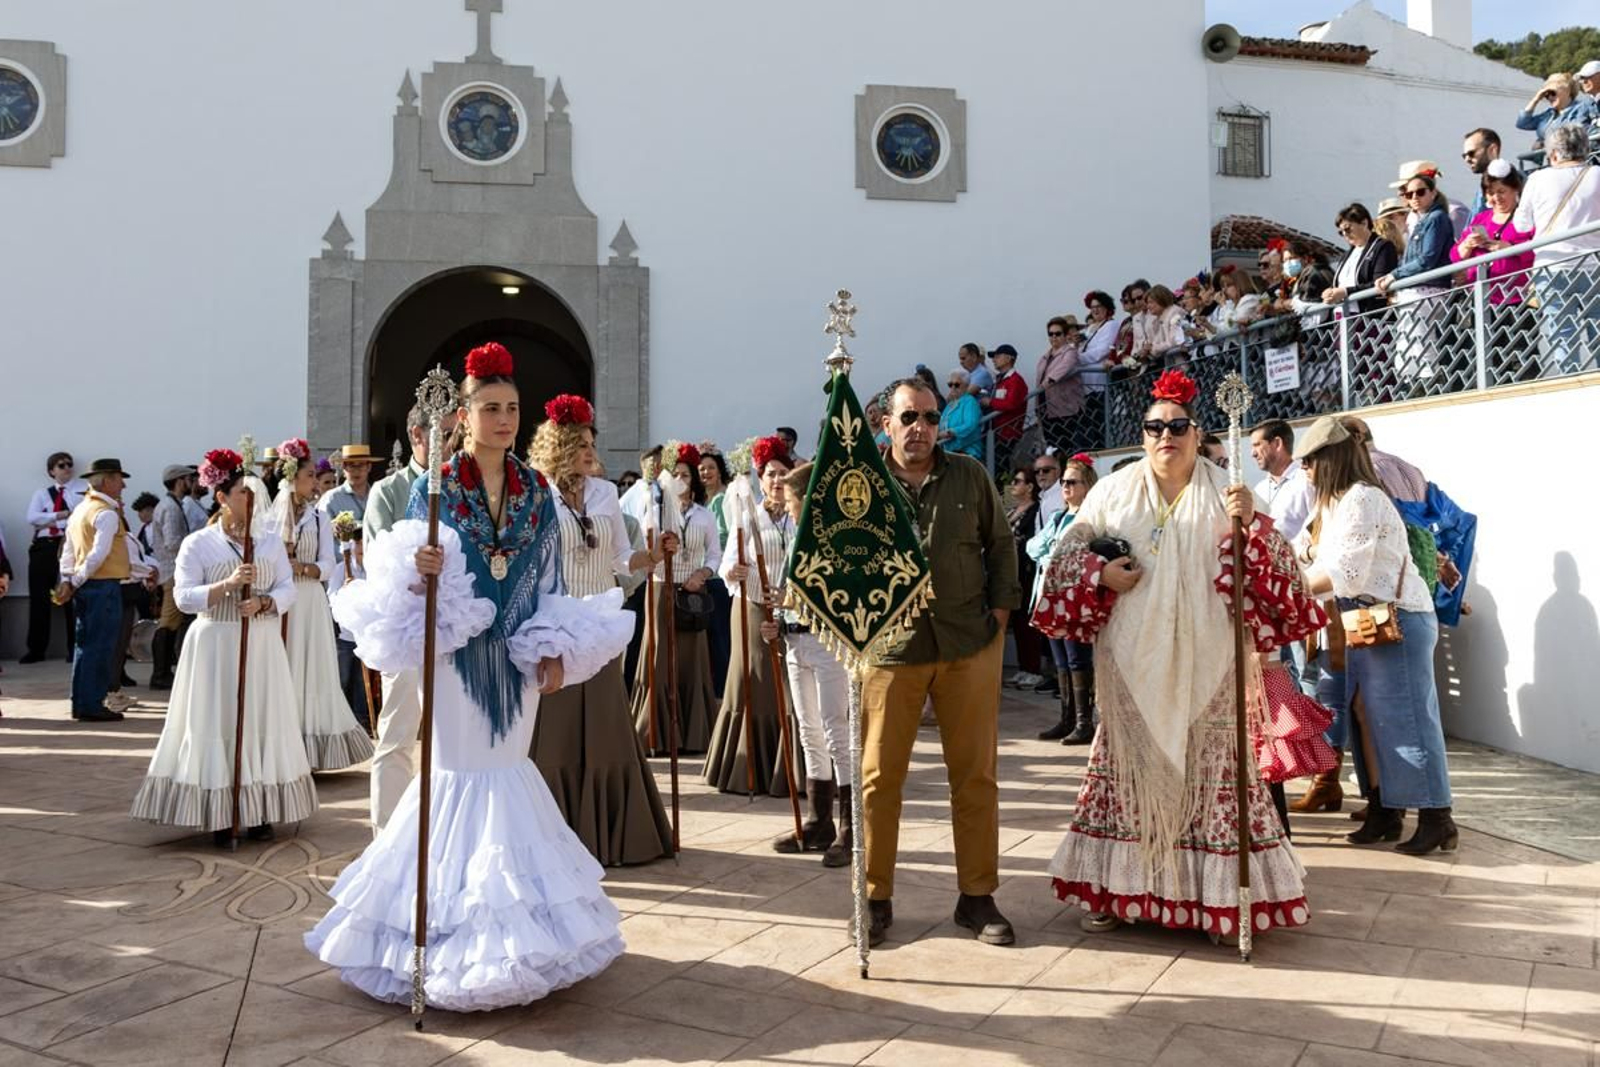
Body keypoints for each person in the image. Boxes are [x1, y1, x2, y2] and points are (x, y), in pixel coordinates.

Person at [309, 341, 630, 1009]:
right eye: (490, 407)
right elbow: (395, 572)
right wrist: (419, 570)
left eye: (512, 407)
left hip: (516, 653)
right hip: (455, 655)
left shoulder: (537, 489)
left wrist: (550, 643)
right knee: (454, 775)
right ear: (462, 413)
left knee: (511, 770)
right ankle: (442, 932)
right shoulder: (434, 489)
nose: (503, 418)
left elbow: (548, 575)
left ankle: (520, 931)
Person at [1037, 370, 1321, 941]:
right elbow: (1060, 561)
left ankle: (1213, 902)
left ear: (1197, 432)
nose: (1165, 435)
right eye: (1153, 427)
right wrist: (1100, 573)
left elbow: (1283, 575)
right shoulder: (1111, 492)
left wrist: (1255, 530)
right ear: (1141, 436)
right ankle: (1118, 894)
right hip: (1130, 662)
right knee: (1125, 781)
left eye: (1178, 426)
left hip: (1213, 662)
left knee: (1214, 781)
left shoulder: (1233, 488)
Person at [858, 378, 1022, 948]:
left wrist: (998, 619)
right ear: (887, 422)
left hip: (966, 645)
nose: (919, 428)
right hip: (890, 649)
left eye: (928, 418)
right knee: (880, 779)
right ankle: (874, 897)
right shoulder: (861, 484)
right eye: (908, 417)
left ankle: (977, 897)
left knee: (975, 777)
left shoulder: (970, 477)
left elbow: (1001, 546)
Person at [130, 447, 317, 845]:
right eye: (240, 495)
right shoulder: (199, 544)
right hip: (215, 640)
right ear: (221, 497)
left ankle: (261, 810)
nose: (248, 502)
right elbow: (183, 598)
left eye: (252, 495)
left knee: (260, 719)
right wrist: (227, 586)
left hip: (261, 641)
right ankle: (219, 812)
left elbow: (287, 589)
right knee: (217, 719)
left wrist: (265, 602)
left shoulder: (268, 543)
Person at [1291, 417, 1455, 855]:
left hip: (1394, 620)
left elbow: (1345, 573)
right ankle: (1386, 810)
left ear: (1331, 459)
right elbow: (1308, 551)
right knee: (1375, 719)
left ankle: (1436, 817)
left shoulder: (1363, 499)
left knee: (1407, 723)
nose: (1303, 468)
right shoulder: (1340, 501)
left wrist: (1287, 585)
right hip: (1369, 621)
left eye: (1309, 460)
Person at [527, 393, 673, 866]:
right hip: (557, 619)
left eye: (592, 442)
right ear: (559, 446)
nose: (591, 451)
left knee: (608, 723)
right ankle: (555, 836)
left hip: (602, 621)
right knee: (557, 730)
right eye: (581, 443)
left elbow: (618, 558)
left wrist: (649, 558)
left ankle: (612, 835)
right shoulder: (536, 492)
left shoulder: (605, 493)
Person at [361, 402, 453, 829]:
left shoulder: (466, 487)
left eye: (458, 433)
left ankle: (442, 832)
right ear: (418, 436)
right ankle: (386, 834)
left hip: (455, 626)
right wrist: (413, 564)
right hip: (405, 626)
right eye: (447, 435)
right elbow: (378, 557)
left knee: (453, 738)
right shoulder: (388, 491)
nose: (455, 444)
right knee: (398, 733)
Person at [703, 436, 803, 799]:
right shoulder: (748, 515)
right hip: (752, 607)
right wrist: (736, 573)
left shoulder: (800, 517)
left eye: (783, 474)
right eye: (771, 474)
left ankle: (790, 770)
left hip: (791, 610)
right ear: (760, 480)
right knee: (755, 684)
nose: (777, 481)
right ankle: (747, 767)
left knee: (791, 689)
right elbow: (728, 563)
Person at [765, 461, 853, 866]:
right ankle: (820, 819)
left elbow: (833, 592)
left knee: (837, 729)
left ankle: (850, 826)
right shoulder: (794, 535)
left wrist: (791, 599)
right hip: (797, 641)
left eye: (790, 496)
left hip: (827, 642)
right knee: (808, 731)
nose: (785, 502)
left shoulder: (832, 538)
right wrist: (777, 621)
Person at [269, 438, 374, 771]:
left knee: (310, 665)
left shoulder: (317, 519)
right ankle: (280, 743)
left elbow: (327, 564)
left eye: (316, 476)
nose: (315, 482)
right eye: (310, 475)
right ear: (291, 479)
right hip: (282, 598)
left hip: (310, 598)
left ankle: (311, 746)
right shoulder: (272, 520)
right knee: (283, 665)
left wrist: (301, 567)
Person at [631, 442, 722, 755]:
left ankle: (694, 733)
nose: (681, 479)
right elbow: (645, 549)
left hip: (692, 589)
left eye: (686, 474)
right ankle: (654, 731)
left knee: (691, 658)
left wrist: (702, 575)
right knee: (659, 657)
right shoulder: (655, 510)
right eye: (676, 474)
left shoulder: (703, 516)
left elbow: (715, 554)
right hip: (660, 588)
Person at [1513, 124, 1600, 375]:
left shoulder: (1538, 179)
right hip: (1594, 264)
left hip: (1551, 266)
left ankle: (1570, 386)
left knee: (1562, 332)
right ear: (1585, 149)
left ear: (1552, 153)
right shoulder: (1596, 174)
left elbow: (1522, 225)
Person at [53, 459, 135, 722]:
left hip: (86, 585)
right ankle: (91, 704)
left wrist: (68, 579)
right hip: (102, 586)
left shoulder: (80, 510)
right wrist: (74, 580)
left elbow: (67, 550)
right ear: (107, 480)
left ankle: (82, 702)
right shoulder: (106, 513)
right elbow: (97, 555)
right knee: (100, 647)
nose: (122, 484)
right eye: (119, 479)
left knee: (84, 646)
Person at [1027, 454, 1098, 744]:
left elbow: (1079, 552)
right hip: (1051, 592)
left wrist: (1054, 552)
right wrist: (1053, 551)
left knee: (1077, 658)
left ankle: (1084, 721)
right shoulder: (1058, 516)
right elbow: (1034, 548)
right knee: (1061, 660)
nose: (1065, 487)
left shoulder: (1091, 517)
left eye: (1072, 482)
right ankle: (1067, 718)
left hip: (1075, 594)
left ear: (1086, 485)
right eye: (1064, 482)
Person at [1452, 159, 1535, 381]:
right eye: (1490, 192)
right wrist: (1466, 245)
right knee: (1486, 364)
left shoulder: (1524, 217)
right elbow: (1454, 256)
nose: (1496, 198)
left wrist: (1510, 248)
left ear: (1515, 189)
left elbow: (1536, 251)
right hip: (1481, 301)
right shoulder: (1481, 218)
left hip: (1516, 301)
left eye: (1501, 191)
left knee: (1520, 363)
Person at [319, 444, 380, 730]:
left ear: (369, 467)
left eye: (360, 465)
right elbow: (323, 542)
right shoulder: (331, 499)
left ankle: (364, 716)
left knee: (367, 660)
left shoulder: (378, 495)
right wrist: (346, 559)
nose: (355, 471)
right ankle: (340, 720)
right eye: (350, 466)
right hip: (342, 579)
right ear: (343, 469)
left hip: (373, 576)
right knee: (342, 661)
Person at [23, 451, 87, 663]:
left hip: (68, 544)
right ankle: (36, 649)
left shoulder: (81, 490)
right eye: (61, 465)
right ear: (52, 471)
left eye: (69, 464)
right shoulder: (42, 493)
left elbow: (79, 517)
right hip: (44, 547)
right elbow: (32, 517)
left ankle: (74, 648)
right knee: (39, 598)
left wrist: (49, 520)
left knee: (71, 595)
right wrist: (59, 515)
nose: (67, 468)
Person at [147, 464, 196, 689]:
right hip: (172, 571)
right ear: (179, 481)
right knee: (168, 621)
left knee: (172, 622)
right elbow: (172, 542)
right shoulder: (171, 507)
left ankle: (163, 672)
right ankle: (160, 674)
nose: (191, 482)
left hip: (170, 570)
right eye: (188, 479)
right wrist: (196, 544)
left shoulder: (170, 505)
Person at [697, 445, 734, 701]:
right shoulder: (702, 503)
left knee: (721, 637)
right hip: (703, 578)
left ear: (720, 471)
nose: (706, 473)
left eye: (711, 468)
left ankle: (723, 689)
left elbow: (729, 537)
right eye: (701, 469)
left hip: (719, 579)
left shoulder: (724, 499)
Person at [1005, 465, 1045, 690]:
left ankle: (1033, 668)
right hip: (1011, 571)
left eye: (1018, 481)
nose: (1013, 485)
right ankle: (1023, 667)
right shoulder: (1012, 509)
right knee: (1017, 621)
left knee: (1027, 621)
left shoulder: (1035, 509)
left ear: (1030, 487)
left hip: (1027, 571)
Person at [1322, 203, 1399, 316]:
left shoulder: (1383, 246)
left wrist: (1346, 292)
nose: (1345, 234)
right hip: (1342, 314)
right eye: (1341, 232)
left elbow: (1380, 282)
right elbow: (1341, 284)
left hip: (1370, 316)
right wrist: (1329, 292)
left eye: (1347, 229)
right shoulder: (1347, 254)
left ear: (1364, 223)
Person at [1249, 420, 1313, 543]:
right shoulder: (1259, 489)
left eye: (1257, 445)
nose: (1253, 453)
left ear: (1277, 444)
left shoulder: (1307, 481)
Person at [1036, 316, 1085, 454]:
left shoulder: (1069, 352)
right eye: (1050, 334)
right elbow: (1038, 381)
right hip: (1047, 408)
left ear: (1065, 335)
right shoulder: (1045, 357)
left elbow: (1063, 369)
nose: (1054, 337)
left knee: (1066, 447)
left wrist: (1047, 383)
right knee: (1052, 448)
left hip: (1066, 408)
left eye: (1058, 334)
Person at [1516, 73, 1598, 150]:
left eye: (1552, 93)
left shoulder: (1582, 107)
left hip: (1571, 157)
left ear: (1567, 90)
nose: (1550, 97)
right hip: (1549, 160)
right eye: (1546, 95)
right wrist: (1536, 99)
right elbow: (1522, 123)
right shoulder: (1549, 114)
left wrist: (1544, 142)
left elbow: (1578, 131)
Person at [982, 344, 1028, 477]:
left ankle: (1002, 493)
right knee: (997, 465)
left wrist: (990, 402)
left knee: (1000, 466)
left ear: (1008, 358)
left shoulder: (1015, 380)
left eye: (997, 356)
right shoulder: (1001, 379)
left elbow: (1011, 403)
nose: (994, 359)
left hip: (1007, 431)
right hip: (997, 430)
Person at [938, 368, 984, 459]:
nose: (953, 388)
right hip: (950, 451)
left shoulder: (969, 401)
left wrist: (951, 432)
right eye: (950, 384)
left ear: (966, 386)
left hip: (967, 452)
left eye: (957, 384)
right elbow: (941, 424)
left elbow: (970, 424)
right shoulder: (950, 404)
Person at [1461, 127, 1502, 216]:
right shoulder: (1483, 186)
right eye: (1464, 156)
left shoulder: (1509, 183)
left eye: (1471, 153)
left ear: (1492, 150)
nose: (1467, 159)